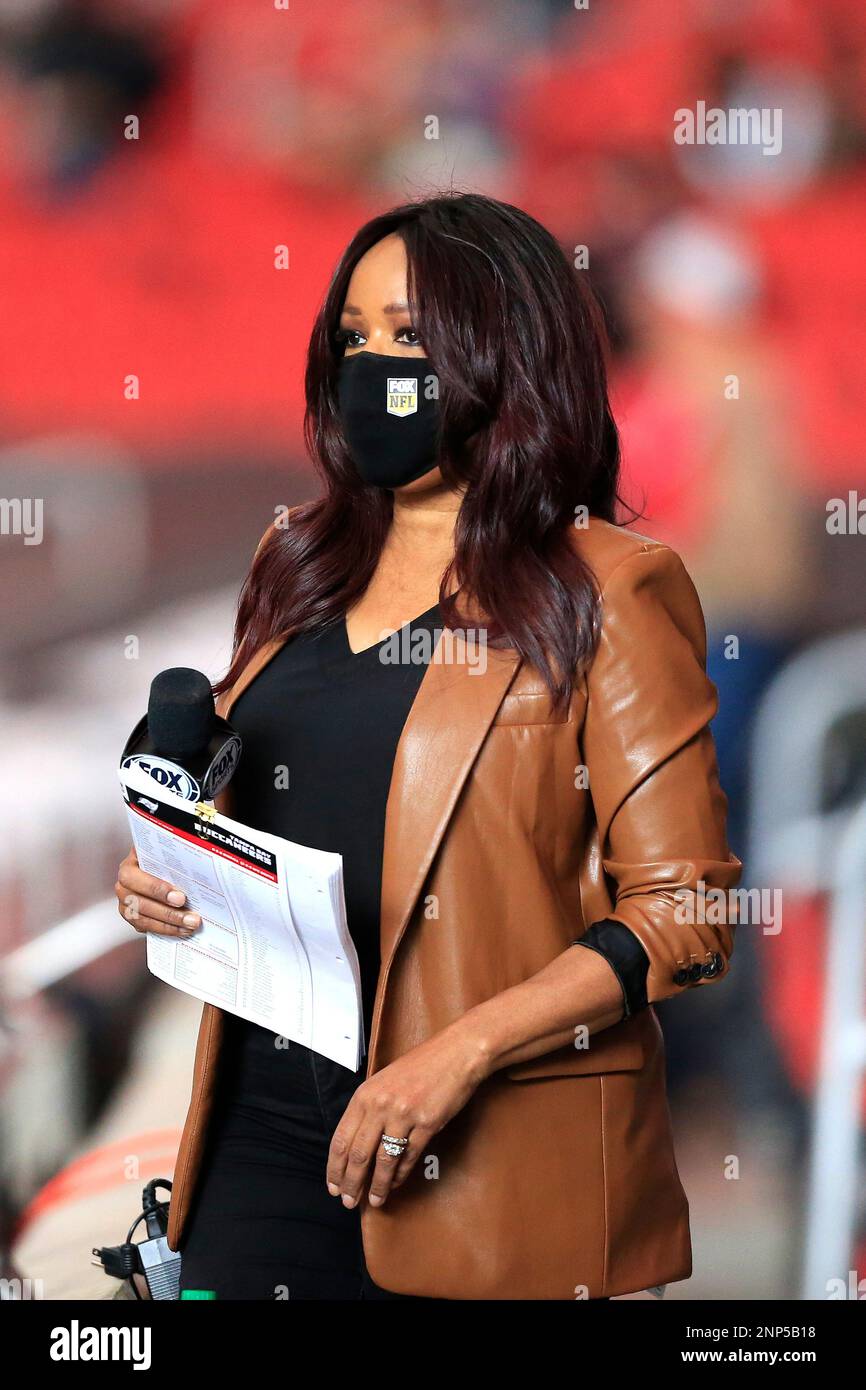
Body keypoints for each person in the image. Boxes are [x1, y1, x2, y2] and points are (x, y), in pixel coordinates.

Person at [115, 191, 741, 1301]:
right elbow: (256, 803)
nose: (370, 366)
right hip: (255, 1136)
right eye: (352, 338)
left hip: (477, 1160)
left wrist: (453, 1057)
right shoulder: (298, 558)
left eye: (408, 337)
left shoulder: (611, 590)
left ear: (500, 349)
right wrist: (167, 873)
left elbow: (683, 913)